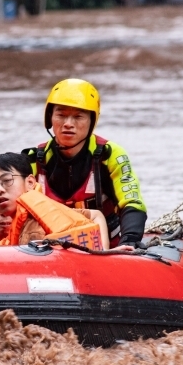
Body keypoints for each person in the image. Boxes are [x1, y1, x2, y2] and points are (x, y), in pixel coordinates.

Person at [23, 78, 147, 248]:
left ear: (91, 121)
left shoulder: (110, 155)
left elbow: (132, 202)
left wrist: (130, 240)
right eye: (61, 115)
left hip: (107, 246)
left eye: (78, 116)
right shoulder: (33, 159)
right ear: (50, 118)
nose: (68, 124)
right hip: (49, 249)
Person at [0, 153, 108, 248]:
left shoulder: (39, 225)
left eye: (7, 181)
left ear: (29, 182)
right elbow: (96, 215)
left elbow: (96, 215)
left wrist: (104, 253)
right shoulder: (0, 222)